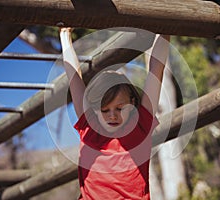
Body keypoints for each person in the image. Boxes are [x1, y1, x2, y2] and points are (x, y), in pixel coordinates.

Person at [60, 27, 170, 200]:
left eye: (120, 108)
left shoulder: (140, 126)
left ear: (132, 104)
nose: (112, 115)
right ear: (95, 109)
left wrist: (164, 29)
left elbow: (156, 70)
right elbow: (74, 78)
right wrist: (65, 35)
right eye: (105, 110)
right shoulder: (89, 127)